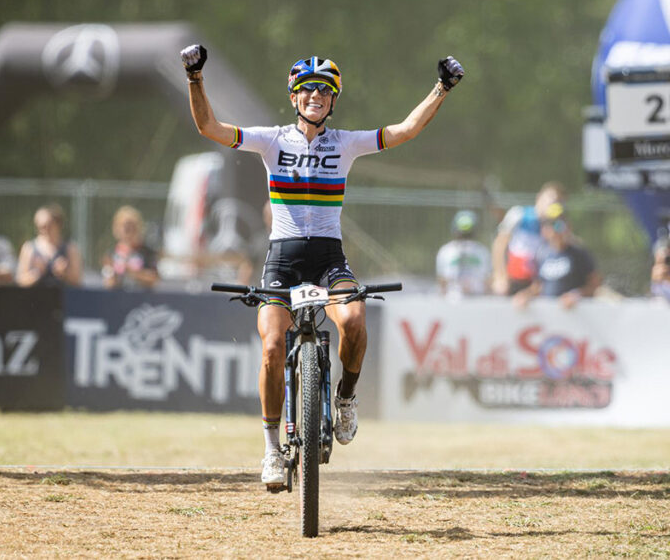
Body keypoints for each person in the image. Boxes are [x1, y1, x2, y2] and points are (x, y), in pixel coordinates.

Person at [181, 44, 464, 485]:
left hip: (329, 258)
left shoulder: (345, 144)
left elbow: (405, 130)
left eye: (325, 91)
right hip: (283, 261)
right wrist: (195, 78)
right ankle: (272, 451)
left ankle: (346, 400)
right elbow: (209, 127)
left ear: (333, 101)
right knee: (273, 346)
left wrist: (442, 87)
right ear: (294, 97)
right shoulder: (271, 141)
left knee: (353, 319)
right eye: (308, 89)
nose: (316, 95)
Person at [513, 203, 600, 310]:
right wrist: (526, 295)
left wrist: (576, 295)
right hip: (549, 317)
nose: (555, 230)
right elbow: (539, 285)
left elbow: (595, 285)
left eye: (559, 224)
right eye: (549, 224)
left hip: (574, 316)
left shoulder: (579, 253)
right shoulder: (542, 253)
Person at [490, 181, 565, 296]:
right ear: (539, 198)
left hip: (535, 283)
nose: (551, 203)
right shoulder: (519, 214)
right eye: (549, 198)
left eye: (556, 201)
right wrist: (500, 276)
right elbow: (500, 244)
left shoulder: (554, 226)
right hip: (512, 279)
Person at [16, 203, 83, 287]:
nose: (44, 229)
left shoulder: (70, 248)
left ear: (58, 224)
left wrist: (65, 273)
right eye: (40, 226)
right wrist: (37, 273)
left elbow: (77, 281)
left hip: (62, 298)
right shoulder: (29, 247)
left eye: (48, 225)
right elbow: (20, 280)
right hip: (33, 298)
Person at [436, 210, 491, 298]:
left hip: (458, 299)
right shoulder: (482, 251)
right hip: (469, 299)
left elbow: (443, 281)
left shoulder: (445, 251)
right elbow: (487, 281)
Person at [101, 205, 160, 290]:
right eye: (123, 226)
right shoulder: (111, 254)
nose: (127, 230)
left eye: (131, 225)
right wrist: (113, 274)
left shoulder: (147, 252)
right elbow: (108, 283)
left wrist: (130, 271)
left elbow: (154, 279)